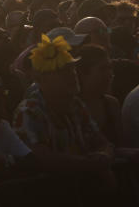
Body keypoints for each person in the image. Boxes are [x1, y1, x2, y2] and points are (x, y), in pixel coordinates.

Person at [12, 35, 114, 181]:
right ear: (42, 79)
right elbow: (41, 157)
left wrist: (104, 155)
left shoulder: (76, 105)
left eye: (72, 69)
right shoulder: (29, 111)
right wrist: (89, 165)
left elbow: (101, 141)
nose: (72, 75)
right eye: (62, 71)